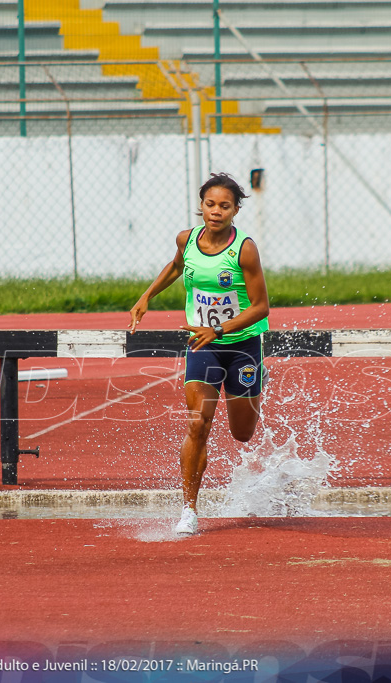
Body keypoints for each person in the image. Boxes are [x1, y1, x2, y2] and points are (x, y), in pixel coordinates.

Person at [128, 173, 270, 535]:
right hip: (201, 347)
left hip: (241, 346)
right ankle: (189, 510)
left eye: (225, 206)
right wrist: (148, 295)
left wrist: (220, 329)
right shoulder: (187, 239)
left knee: (242, 434)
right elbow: (177, 265)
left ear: (236, 210)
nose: (216, 212)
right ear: (201, 206)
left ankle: (255, 384)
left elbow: (261, 307)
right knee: (198, 424)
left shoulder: (245, 249)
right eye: (210, 205)